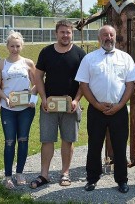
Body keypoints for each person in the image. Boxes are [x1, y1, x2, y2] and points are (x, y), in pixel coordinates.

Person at [75, 25, 135, 194]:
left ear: (115, 37)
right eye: (105, 35)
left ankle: (121, 180)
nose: (108, 37)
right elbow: (83, 84)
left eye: (111, 35)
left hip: (119, 110)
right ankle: (92, 178)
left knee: (119, 146)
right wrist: (96, 104)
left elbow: (130, 85)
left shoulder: (125, 58)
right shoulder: (89, 59)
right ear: (99, 38)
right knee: (94, 145)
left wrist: (119, 105)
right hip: (96, 109)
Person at [30, 19, 86, 189]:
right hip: (50, 105)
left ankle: (65, 173)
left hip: (70, 106)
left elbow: (84, 81)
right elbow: (38, 76)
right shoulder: (46, 52)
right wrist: (44, 98)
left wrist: (76, 100)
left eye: (68, 32)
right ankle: (44, 175)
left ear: (72, 33)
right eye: (62, 32)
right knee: (47, 140)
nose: (65, 35)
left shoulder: (80, 54)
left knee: (68, 140)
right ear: (56, 33)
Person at [0, 31, 37, 189]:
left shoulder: (28, 63)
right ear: (7, 46)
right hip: (8, 109)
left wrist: (32, 99)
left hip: (25, 109)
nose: (15, 49)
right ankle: (8, 176)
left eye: (17, 46)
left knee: (23, 139)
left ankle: (19, 173)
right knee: (9, 141)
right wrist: (5, 98)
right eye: (12, 46)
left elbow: (37, 83)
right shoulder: (2, 64)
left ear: (22, 46)